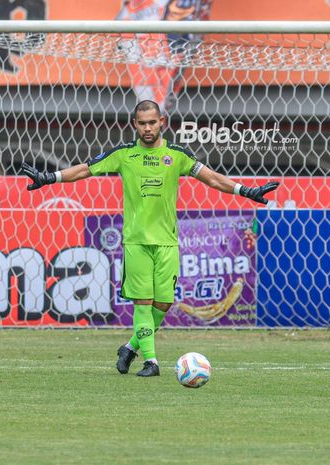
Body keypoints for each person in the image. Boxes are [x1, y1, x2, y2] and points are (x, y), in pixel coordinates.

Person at [21, 100, 278, 377]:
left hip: (167, 242)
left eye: (151, 122)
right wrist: (49, 177)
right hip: (136, 242)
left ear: (161, 122)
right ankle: (151, 362)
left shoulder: (176, 155)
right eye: (142, 123)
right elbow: (84, 169)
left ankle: (130, 348)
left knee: (163, 303)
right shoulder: (123, 154)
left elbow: (213, 179)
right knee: (143, 301)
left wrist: (246, 191)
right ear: (135, 124)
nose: (147, 128)